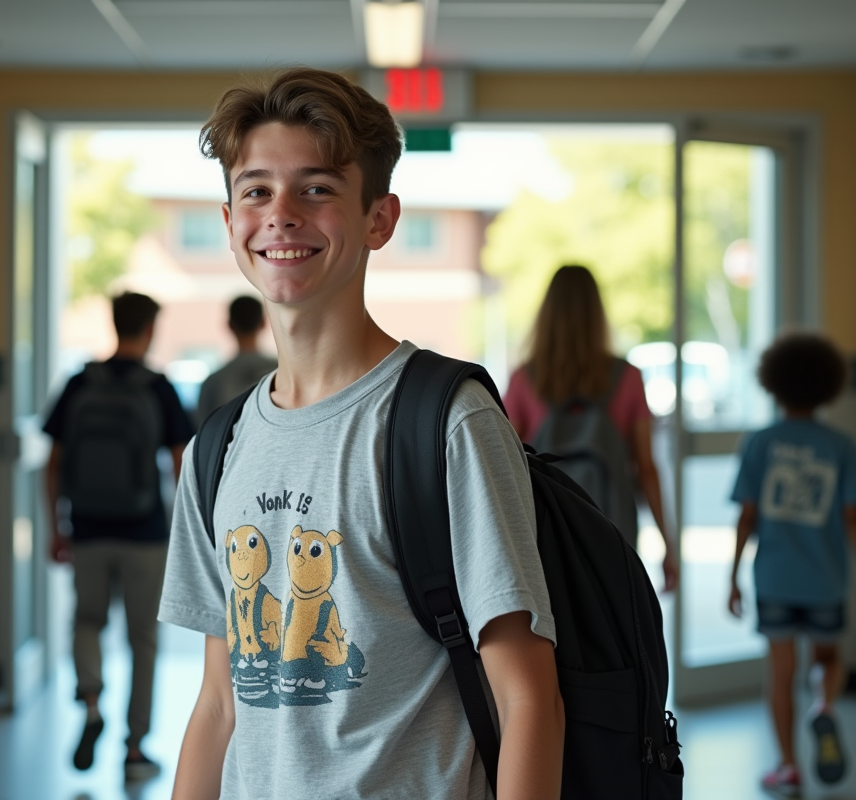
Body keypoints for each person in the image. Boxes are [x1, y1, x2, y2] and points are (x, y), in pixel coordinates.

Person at [158, 67, 564, 800]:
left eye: (316, 188)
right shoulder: (217, 450)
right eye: (255, 190)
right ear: (228, 224)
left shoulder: (447, 422)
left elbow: (528, 695)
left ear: (380, 218)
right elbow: (219, 705)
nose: (280, 213)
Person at [42, 291, 195, 781]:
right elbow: (179, 464)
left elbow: (53, 462)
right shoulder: (158, 388)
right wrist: (185, 532)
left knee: (87, 620)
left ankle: (90, 701)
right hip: (144, 530)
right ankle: (134, 749)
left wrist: (55, 526)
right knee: (142, 639)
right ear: (149, 329)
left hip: (86, 526)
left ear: (114, 324)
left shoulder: (78, 383)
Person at [727, 332, 856, 795]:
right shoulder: (842, 446)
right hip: (826, 581)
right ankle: (824, 705)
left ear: (773, 385)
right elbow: (854, 519)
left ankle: (788, 767)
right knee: (827, 658)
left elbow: (746, 516)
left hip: (774, 580)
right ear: (827, 387)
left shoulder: (759, 443)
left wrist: (732, 576)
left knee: (780, 672)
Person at [504, 265, 679, 591]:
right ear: (597, 313)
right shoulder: (626, 377)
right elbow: (647, 469)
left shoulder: (524, 379)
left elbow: (503, 464)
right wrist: (668, 545)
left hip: (544, 533)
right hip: (613, 531)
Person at [194, 294, 278, 426]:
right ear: (263, 323)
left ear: (229, 326)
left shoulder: (213, 382)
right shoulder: (283, 372)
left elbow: (203, 431)